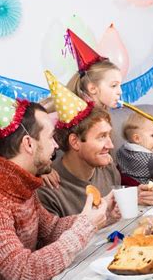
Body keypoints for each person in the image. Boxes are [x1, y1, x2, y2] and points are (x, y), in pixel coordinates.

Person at [0, 87, 107, 280]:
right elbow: (25, 273)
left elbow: (50, 230)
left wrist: (100, 213)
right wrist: (84, 227)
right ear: (29, 144)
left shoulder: (22, 186)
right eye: (50, 137)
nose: (56, 145)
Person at [37, 72, 153, 217]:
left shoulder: (108, 168)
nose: (111, 145)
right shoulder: (48, 190)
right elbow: (56, 236)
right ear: (75, 142)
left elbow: (114, 218)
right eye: (101, 137)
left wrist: (133, 198)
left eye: (109, 135)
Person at [40, 29, 122, 189]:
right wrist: (43, 168)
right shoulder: (68, 114)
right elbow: (36, 140)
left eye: (120, 85)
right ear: (93, 88)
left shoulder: (102, 116)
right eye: (114, 85)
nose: (120, 91)